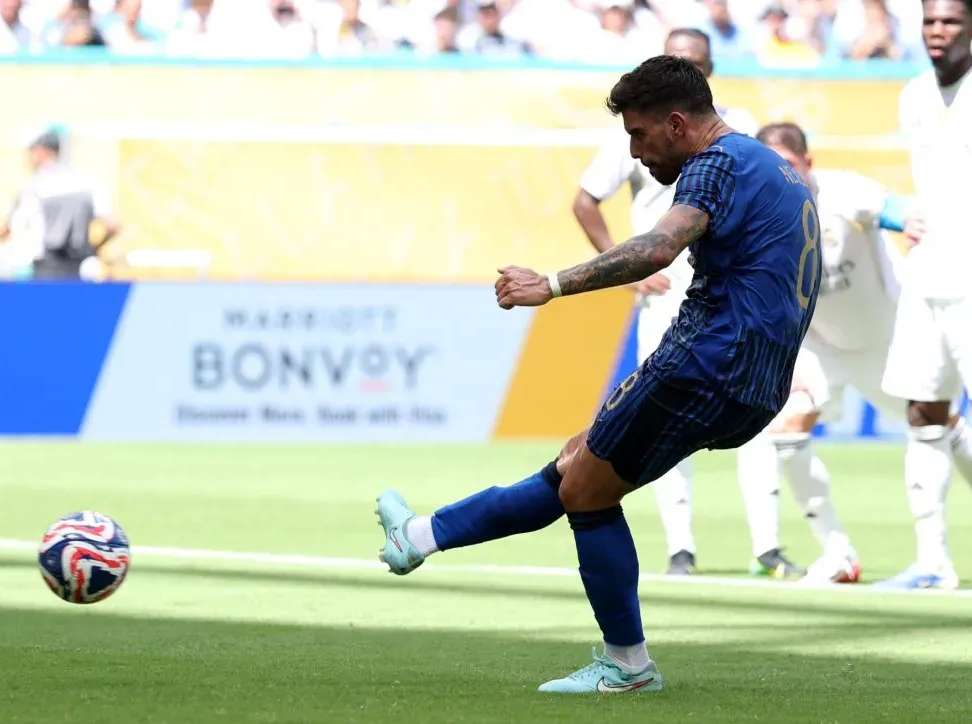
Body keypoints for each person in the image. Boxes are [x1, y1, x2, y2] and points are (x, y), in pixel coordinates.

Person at [375, 56, 821, 694]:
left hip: (705, 363)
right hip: (754, 381)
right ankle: (418, 537)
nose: (635, 151)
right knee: (577, 464)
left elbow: (658, 246)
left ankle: (628, 665)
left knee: (585, 491)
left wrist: (552, 284)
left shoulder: (715, 164)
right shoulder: (769, 164)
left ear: (676, 123)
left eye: (639, 134)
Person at [574, 28, 799, 580]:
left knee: (751, 420)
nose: (686, 65)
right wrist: (625, 270)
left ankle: (767, 545)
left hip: (730, 286)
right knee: (654, 421)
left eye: (694, 59)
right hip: (662, 283)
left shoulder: (733, 132)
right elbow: (585, 200)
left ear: (708, 69)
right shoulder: (641, 129)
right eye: (676, 58)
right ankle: (680, 547)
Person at [745, 121, 972, 585]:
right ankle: (838, 554)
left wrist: (910, 221)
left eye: (788, 164)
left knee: (942, 425)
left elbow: (890, 207)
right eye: (768, 166)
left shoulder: (843, 192)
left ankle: (931, 559)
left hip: (888, 337)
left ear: (809, 163)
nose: (779, 175)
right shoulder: (755, 216)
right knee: (785, 431)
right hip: (822, 347)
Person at [876, 0, 972, 590]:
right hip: (928, 274)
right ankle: (932, 561)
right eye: (930, 21)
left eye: (951, 21)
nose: (938, 31)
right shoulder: (912, 95)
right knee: (924, 410)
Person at [0, 128, 120, 280]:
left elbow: (6, 229)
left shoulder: (35, 187)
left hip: (46, 270)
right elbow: (113, 225)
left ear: (42, 152)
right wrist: (94, 249)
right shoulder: (87, 184)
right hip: (80, 269)